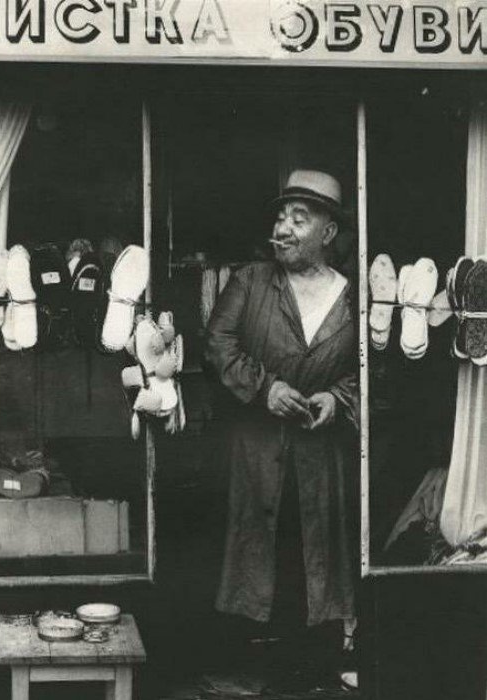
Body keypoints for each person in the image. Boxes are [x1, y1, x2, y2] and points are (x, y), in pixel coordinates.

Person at [205, 169, 359, 688]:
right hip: (253, 449)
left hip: (320, 453)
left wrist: (338, 398)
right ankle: (239, 669)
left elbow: (369, 368)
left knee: (308, 551)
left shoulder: (353, 297)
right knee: (248, 549)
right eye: (280, 217)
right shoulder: (251, 281)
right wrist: (264, 388)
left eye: (299, 218)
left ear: (328, 232)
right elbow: (218, 345)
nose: (283, 228)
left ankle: (305, 670)